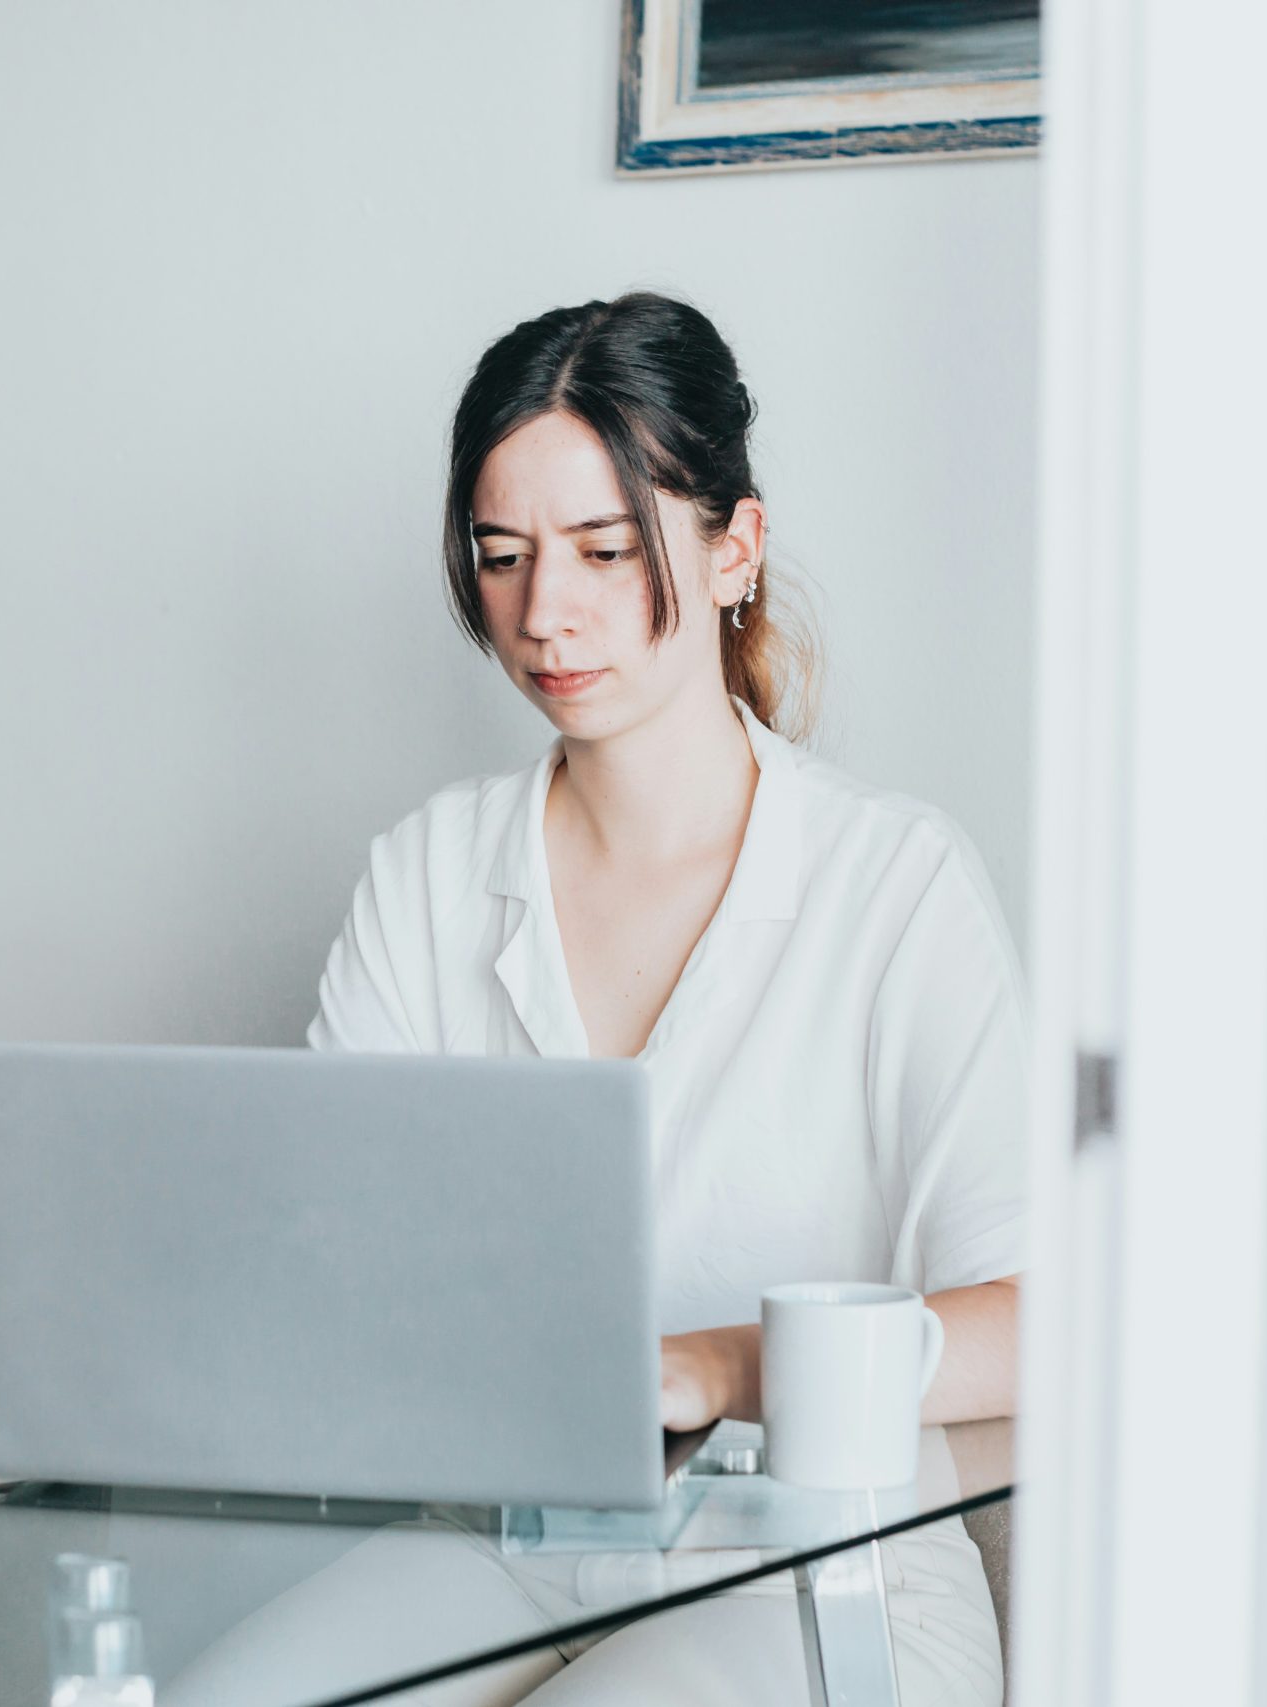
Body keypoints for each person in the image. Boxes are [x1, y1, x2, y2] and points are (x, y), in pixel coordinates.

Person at [168, 292, 1023, 1706]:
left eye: (604, 552)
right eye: (500, 557)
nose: (541, 612)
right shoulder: (430, 871)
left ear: (733, 546)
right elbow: (325, 1263)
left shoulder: (895, 883)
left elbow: (1042, 1317)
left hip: (820, 1559)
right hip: (508, 1542)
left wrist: (711, 1365)